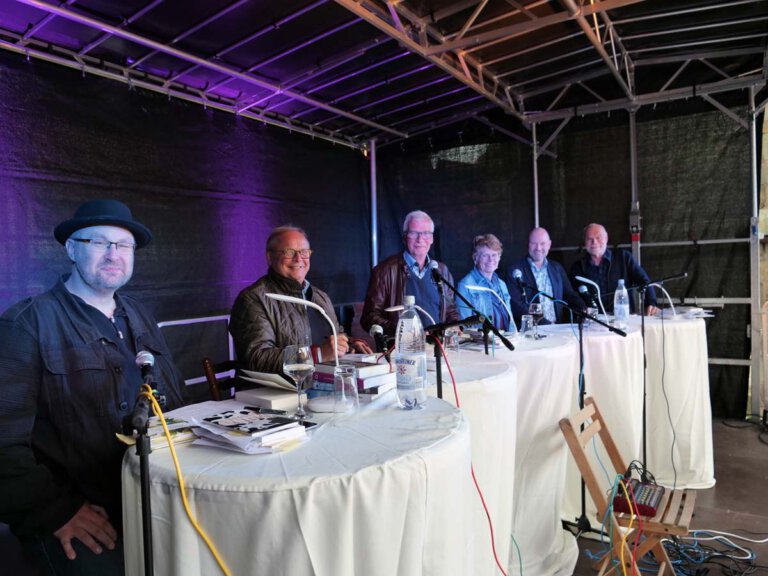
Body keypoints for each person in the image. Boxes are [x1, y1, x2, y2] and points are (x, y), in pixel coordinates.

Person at [0, 199, 187, 575]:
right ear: (71, 249)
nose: (113, 254)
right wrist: (55, 511)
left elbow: (175, 402)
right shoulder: (27, 324)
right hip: (78, 508)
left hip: (154, 494)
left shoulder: (139, 315)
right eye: (99, 243)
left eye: (123, 245)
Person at [229, 225, 371, 373]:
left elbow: (336, 333)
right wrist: (318, 354)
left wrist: (349, 345)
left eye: (304, 252)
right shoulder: (254, 299)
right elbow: (257, 357)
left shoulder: (320, 297)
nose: (298, 259)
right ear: (269, 258)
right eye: (289, 252)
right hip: (276, 392)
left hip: (321, 385)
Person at [361, 210, 459, 336]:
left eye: (426, 233)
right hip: (401, 349)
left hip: (438, 347)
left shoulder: (441, 270)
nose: (420, 239)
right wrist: (403, 331)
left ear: (432, 238)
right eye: (414, 233)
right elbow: (369, 317)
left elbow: (451, 311)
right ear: (404, 236)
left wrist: (454, 327)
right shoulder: (384, 271)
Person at [569, 223, 659, 315]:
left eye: (598, 237)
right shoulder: (577, 268)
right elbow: (571, 296)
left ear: (606, 238)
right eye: (589, 239)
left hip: (623, 318)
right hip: (593, 322)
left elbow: (644, 281)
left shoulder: (623, 258)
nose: (594, 242)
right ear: (584, 241)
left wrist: (651, 303)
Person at [507, 227, 584, 326]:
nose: (538, 248)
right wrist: (545, 323)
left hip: (558, 330)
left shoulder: (556, 268)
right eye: (534, 243)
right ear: (528, 245)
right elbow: (516, 304)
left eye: (542, 243)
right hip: (531, 332)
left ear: (549, 245)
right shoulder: (515, 270)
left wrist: (583, 308)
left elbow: (569, 294)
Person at [456, 234, 515, 331]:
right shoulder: (465, 286)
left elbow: (511, 323)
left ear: (499, 257)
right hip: (480, 344)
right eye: (485, 255)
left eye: (494, 255)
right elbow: (465, 327)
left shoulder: (502, 285)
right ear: (476, 258)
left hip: (505, 342)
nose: (491, 259)